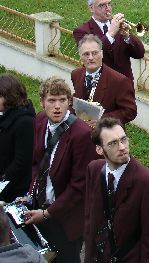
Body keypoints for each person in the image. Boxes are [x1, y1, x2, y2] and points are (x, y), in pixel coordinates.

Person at [23, 76, 99, 263]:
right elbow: (36, 162)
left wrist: (49, 213)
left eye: (62, 100)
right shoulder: (40, 120)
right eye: (51, 100)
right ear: (42, 102)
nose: (57, 106)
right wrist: (31, 193)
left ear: (69, 102)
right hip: (40, 206)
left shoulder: (81, 134)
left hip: (67, 218)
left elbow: (80, 186)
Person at [84, 117, 149, 263]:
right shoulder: (93, 169)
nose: (121, 147)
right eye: (113, 143)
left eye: (123, 140)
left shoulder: (148, 183)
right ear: (99, 149)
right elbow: (90, 221)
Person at [73, 0, 145, 81]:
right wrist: (110, 33)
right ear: (91, 8)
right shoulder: (82, 31)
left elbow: (140, 53)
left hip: (124, 87)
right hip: (100, 86)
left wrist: (127, 36)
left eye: (109, 4)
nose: (108, 9)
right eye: (102, 5)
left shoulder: (119, 27)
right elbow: (93, 55)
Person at [71, 34, 137, 126]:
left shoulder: (120, 81)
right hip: (81, 133)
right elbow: (78, 97)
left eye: (94, 53)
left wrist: (102, 120)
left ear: (101, 53)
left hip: (107, 134)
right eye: (86, 54)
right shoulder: (76, 74)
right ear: (80, 56)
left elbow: (130, 111)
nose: (90, 57)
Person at [0, 74, 35, 203]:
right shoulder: (6, 114)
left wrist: (3, 180)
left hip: (13, 187)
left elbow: (21, 162)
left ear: (9, 97)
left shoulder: (25, 122)